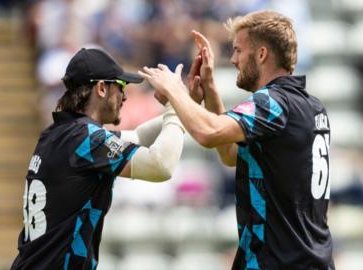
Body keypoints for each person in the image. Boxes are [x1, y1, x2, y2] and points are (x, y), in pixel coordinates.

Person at [139, 10, 335, 269]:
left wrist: (176, 91)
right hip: (309, 259)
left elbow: (208, 133)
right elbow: (230, 153)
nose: (233, 59)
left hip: (278, 262)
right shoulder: (312, 106)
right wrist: (209, 89)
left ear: (262, 54)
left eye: (238, 50)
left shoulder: (273, 103)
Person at [11, 48, 185, 269]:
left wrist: (186, 105)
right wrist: (173, 104)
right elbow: (161, 166)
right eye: (121, 87)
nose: (125, 96)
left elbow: (140, 136)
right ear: (101, 88)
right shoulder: (85, 139)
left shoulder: (60, 134)